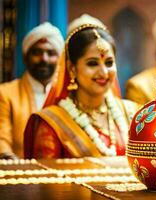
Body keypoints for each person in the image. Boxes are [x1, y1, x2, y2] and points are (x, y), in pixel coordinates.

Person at [24, 23, 139, 159]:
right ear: (72, 69)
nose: (104, 72)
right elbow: (46, 178)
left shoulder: (131, 113)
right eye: (92, 63)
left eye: (109, 63)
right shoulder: (52, 123)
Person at [0, 22, 64, 159]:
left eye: (51, 53)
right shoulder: (6, 93)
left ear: (60, 59)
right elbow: (2, 138)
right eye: (37, 52)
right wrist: (8, 159)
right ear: (25, 57)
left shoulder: (67, 94)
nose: (44, 59)